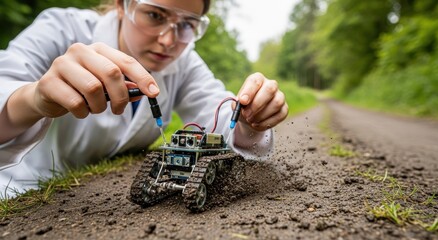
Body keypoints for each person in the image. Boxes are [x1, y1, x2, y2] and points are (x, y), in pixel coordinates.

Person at [0, 0, 288, 197]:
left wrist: (251, 120)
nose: (168, 40)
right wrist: (34, 100)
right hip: (19, 188)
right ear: (122, 5)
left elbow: (222, 119)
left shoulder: (185, 62)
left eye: (187, 24)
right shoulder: (59, 28)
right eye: (155, 15)